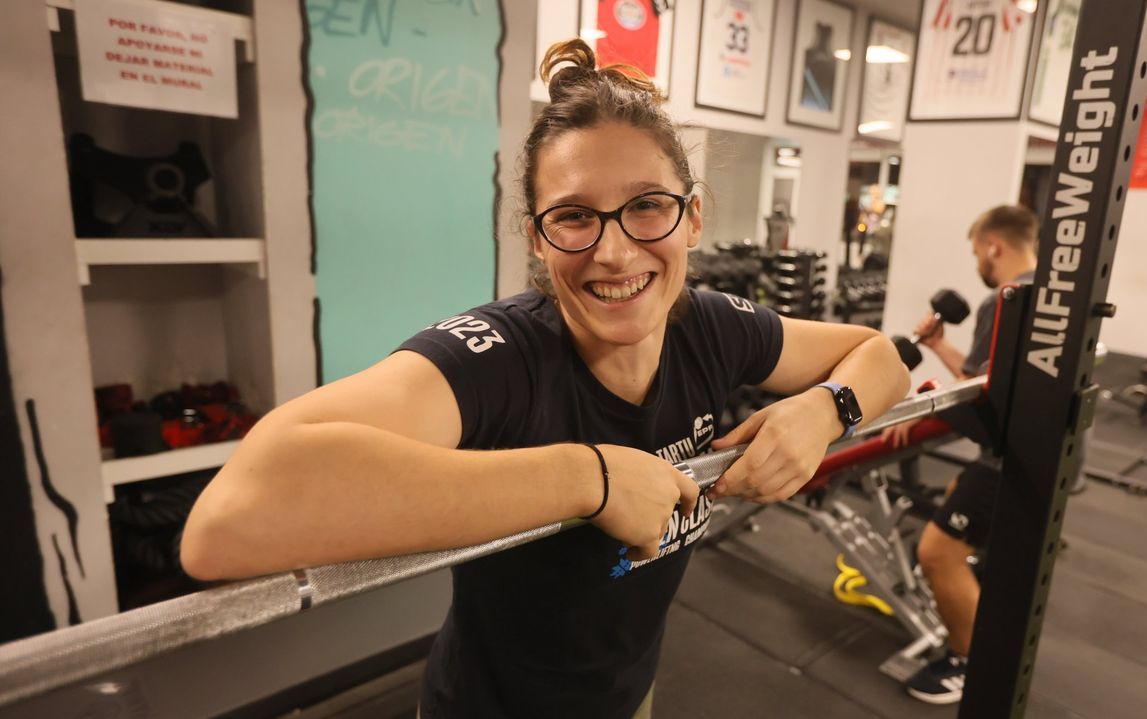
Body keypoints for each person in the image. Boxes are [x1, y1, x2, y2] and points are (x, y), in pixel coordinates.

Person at [180, 40, 909, 719]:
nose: (615, 252)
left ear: (692, 217)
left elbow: (881, 357)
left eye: (646, 207)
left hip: (628, 696)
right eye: (573, 217)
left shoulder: (710, 326)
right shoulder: (497, 357)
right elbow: (228, 523)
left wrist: (822, 410)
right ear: (536, 236)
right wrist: (584, 478)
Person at [882, 204, 1039, 705]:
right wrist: (939, 349)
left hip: (1009, 456)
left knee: (936, 551)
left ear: (994, 245)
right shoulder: (1048, 296)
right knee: (958, 501)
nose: (978, 263)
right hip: (1034, 450)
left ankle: (968, 662)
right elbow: (985, 377)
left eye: (977, 252)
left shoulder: (1006, 300)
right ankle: (981, 621)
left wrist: (922, 400)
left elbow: (982, 398)